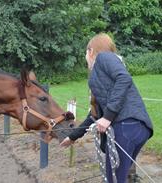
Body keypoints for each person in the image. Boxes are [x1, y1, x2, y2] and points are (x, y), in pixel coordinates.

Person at [60, 33, 153, 183]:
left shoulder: (104, 57)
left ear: (90, 51)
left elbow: (124, 78)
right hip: (136, 129)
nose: (85, 58)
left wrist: (108, 117)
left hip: (126, 127)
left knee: (113, 180)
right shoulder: (100, 75)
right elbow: (95, 115)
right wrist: (73, 136)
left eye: (86, 53)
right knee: (117, 178)